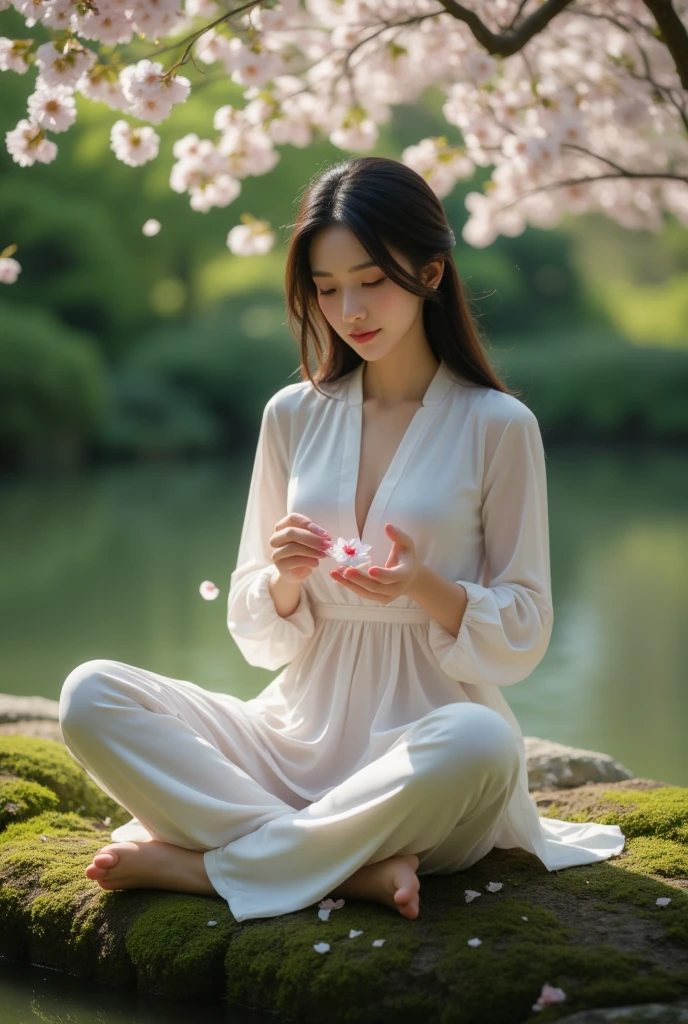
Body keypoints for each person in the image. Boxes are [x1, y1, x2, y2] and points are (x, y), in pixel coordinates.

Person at [58, 156, 625, 924]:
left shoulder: (499, 427)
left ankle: (207, 868)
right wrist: (286, 581)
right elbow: (256, 630)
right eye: (327, 289)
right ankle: (343, 868)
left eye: (372, 280)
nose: (350, 309)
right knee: (90, 693)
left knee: (484, 745)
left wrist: (423, 585)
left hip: (424, 758)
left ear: (429, 272)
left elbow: (524, 631)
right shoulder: (291, 414)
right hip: (292, 734)